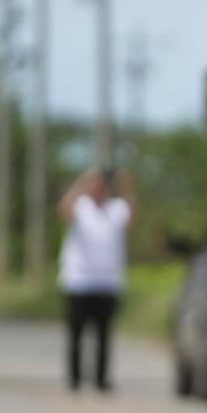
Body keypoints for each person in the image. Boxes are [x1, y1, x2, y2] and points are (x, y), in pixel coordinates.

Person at [57, 167, 134, 392]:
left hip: (107, 282)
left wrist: (126, 184)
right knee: (76, 335)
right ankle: (74, 379)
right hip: (78, 280)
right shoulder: (80, 207)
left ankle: (101, 380)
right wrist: (81, 181)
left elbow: (131, 216)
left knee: (103, 336)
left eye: (101, 184)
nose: (97, 188)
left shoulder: (115, 208)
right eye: (93, 183)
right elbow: (63, 210)